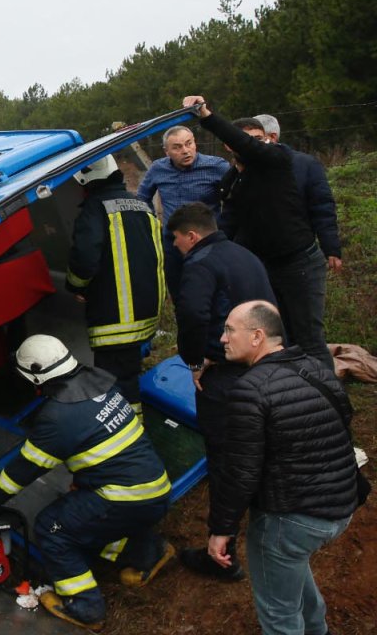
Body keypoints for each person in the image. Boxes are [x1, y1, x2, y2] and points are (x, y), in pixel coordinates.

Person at [0, 335, 175, 632]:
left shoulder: (57, 417)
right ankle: (151, 553)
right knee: (91, 520)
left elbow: (24, 470)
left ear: (38, 378)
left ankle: (86, 608)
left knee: (53, 528)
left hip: (124, 500)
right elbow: (101, 443)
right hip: (155, 490)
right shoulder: (102, 386)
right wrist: (83, 481)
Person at [208, 301, 358, 635]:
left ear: (257, 336)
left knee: (278, 615)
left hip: (293, 519)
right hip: (339, 506)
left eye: (230, 330)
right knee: (291, 567)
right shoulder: (316, 367)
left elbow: (240, 471)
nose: (222, 339)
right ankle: (318, 630)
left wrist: (222, 529)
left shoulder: (250, 389)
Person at [166, 202, 276, 580]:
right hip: (262, 365)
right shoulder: (245, 256)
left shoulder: (200, 264)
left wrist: (196, 359)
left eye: (177, 240)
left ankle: (222, 553)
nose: (177, 247)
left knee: (225, 458)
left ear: (191, 235)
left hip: (225, 374)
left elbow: (193, 315)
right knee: (260, 446)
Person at [184, 96, 331, 371]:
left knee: (309, 337)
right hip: (263, 267)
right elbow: (230, 223)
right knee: (277, 337)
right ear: (230, 146)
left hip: (299, 263)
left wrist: (206, 117)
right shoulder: (233, 179)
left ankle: (327, 398)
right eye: (249, 139)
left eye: (259, 139)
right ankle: (290, 394)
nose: (256, 144)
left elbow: (322, 206)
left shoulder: (278, 159)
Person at [66, 154, 163, 411]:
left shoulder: (95, 209)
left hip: (115, 320)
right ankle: (133, 429)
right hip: (146, 312)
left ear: (87, 179)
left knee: (114, 386)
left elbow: (84, 260)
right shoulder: (141, 205)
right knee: (130, 375)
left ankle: (124, 435)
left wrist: (76, 286)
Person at [135, 125, 229, 300]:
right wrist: (152, 224)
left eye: (189, 143)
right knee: (179, 294)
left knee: (212, 294)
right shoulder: (158, 169)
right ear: (166, 151)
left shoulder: (217, 166)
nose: (185, 151)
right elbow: (142, 198)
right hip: (173, 243)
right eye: (177, 147)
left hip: (207, 243)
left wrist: (224, 226)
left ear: (195, 143)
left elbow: (235, 197)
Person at [255, 114, 344, 275]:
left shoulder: (305, 165)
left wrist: (331, 248)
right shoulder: (243, 167)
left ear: (272, 137)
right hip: (257, 258)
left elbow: (322, 208)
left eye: (256, 138)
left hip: (299, 257)